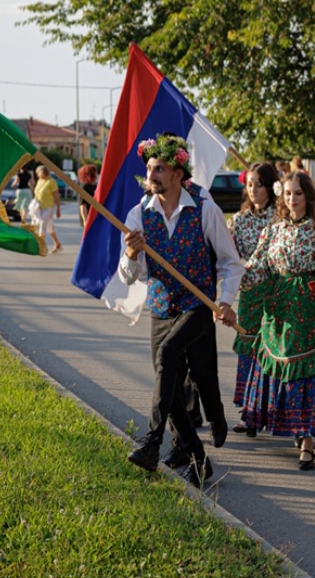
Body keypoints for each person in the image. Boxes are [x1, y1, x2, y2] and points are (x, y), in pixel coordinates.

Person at [120, 133, 242, 487]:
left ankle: (153, 440)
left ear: (177, 173)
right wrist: (131, 254)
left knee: (180, 361)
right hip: (161, 308)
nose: (151, 175)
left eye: (159, 168)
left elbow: (231, 262)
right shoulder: (138, 214)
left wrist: (225, 301)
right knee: (170, 384)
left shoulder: (205, 209)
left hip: (196, 305)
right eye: (148, 168)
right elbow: (128, 276)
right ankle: (197, 458)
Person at [240, 172, 315, 470]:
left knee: (306, 370)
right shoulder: (273, 230)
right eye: (288, 193)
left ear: (309, 196)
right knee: (283, 367)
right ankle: (294, 427)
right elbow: (257, 267)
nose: (292, 199)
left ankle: (307, 442)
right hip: (278, 307)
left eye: (298, 193)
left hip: (310, 306)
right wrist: (229, 282)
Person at [227, 162, 278, 436]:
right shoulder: (238, 220)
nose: (254, 190)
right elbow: (229, 255)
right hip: (249, 292)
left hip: (275, 292)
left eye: (259, 185)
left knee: (273, 350)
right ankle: (248, 412)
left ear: (270, 187)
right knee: (249, 349)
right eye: (250, 185)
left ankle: (274, 411)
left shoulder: (280, 218)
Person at [30, 166, 63, 253]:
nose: (37, 175)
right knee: (49, 226)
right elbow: (36, 193)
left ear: (42, 172)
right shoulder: (39, 181)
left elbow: (56, 196)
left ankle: (41, 245)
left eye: (38, 173)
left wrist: (58, 209)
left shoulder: (51, 182)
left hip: (49, 206)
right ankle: (57, 243)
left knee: (42, 222)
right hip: (39, 207)